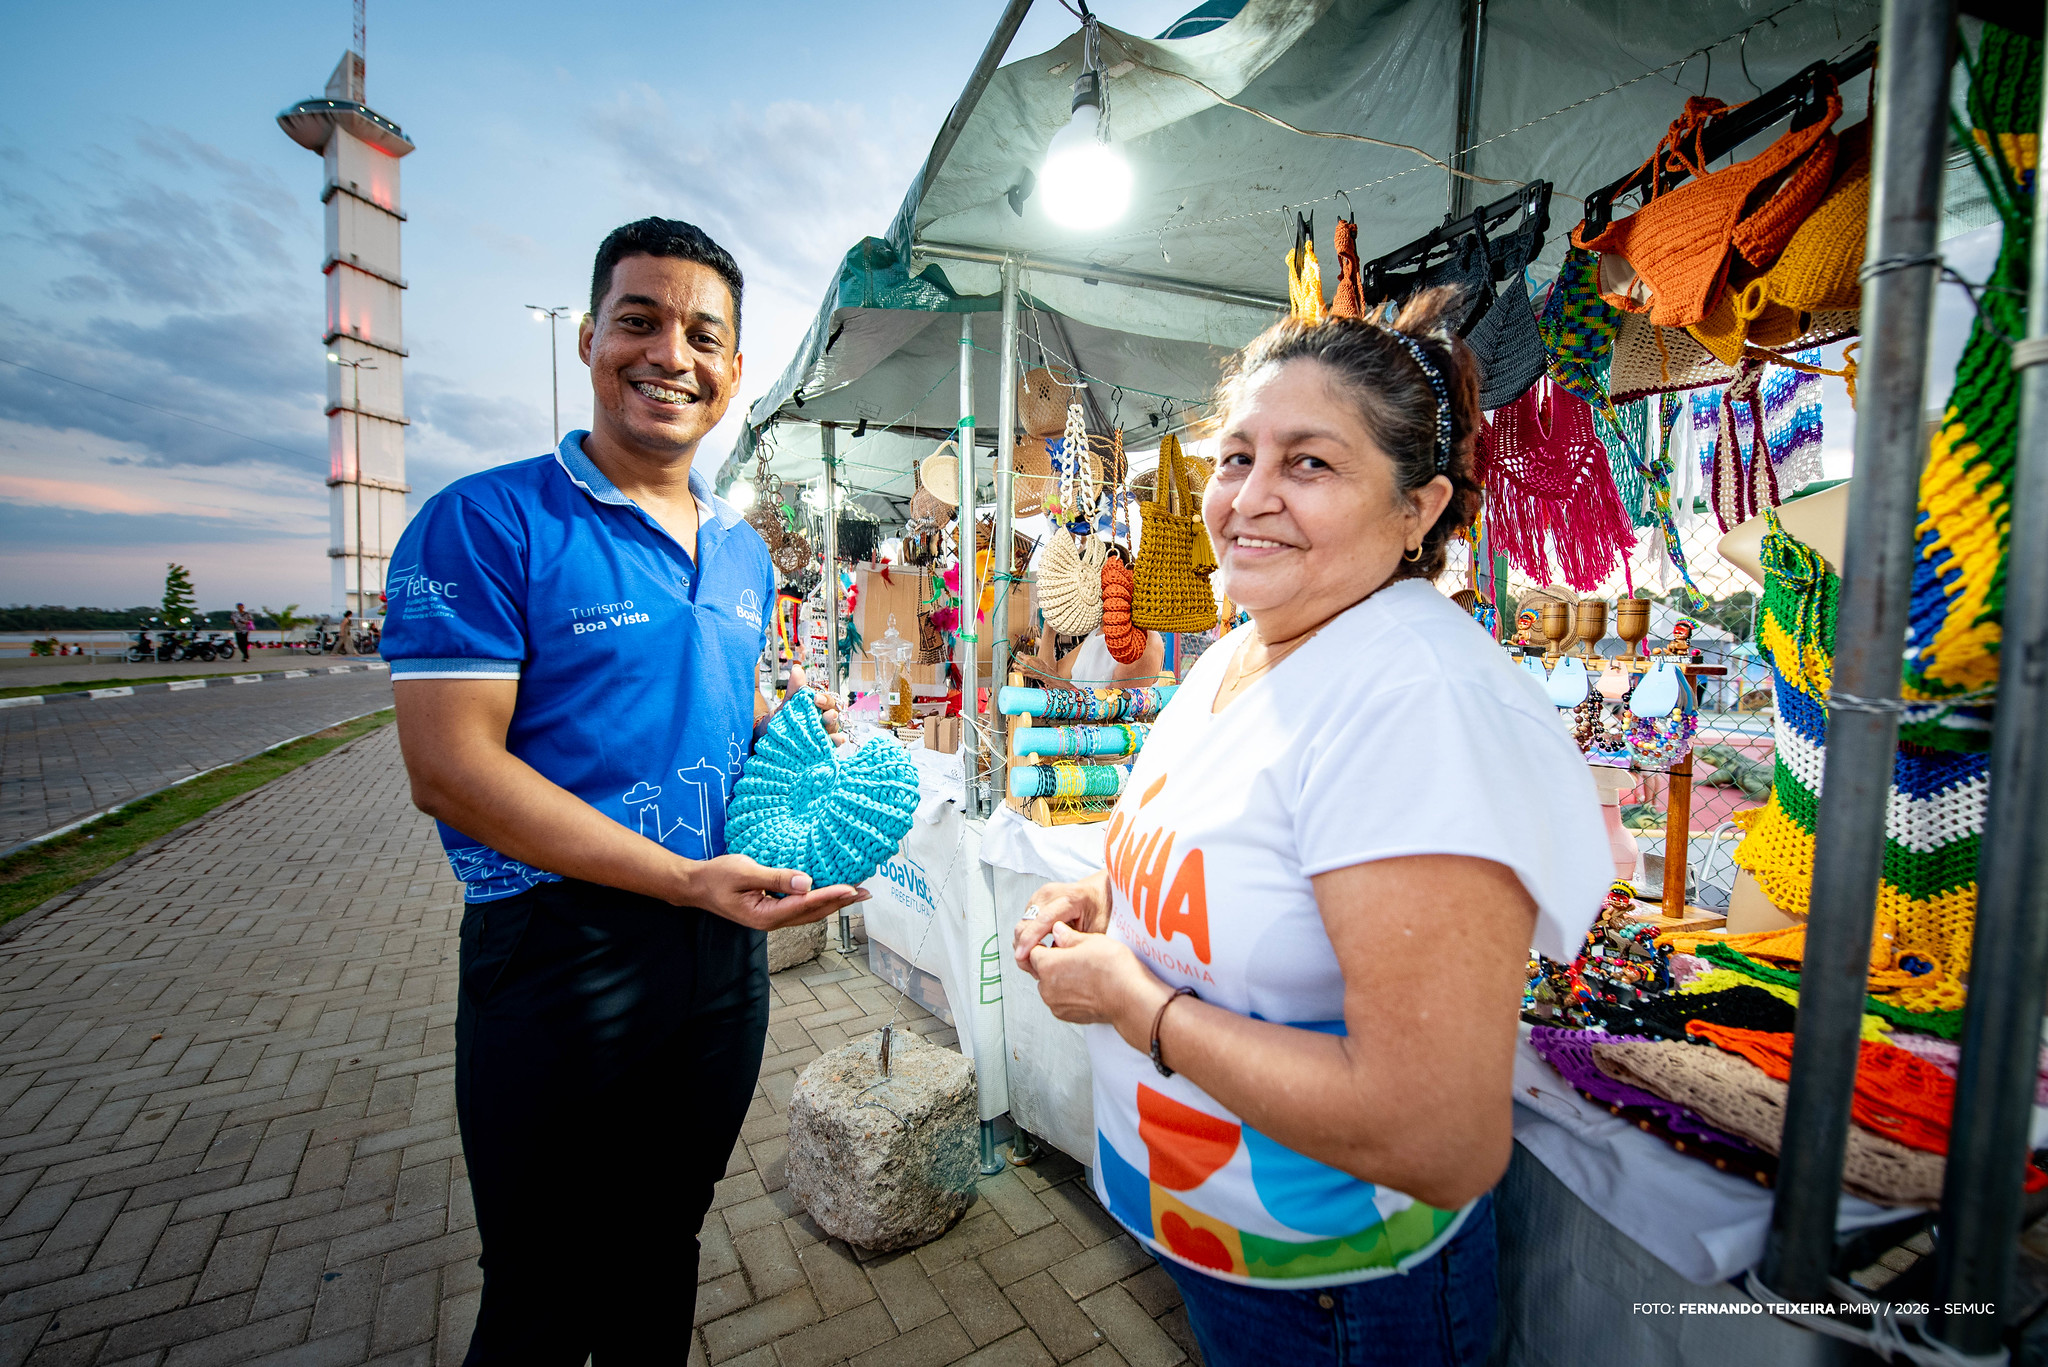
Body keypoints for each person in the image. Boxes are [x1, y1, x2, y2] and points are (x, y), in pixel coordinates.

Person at [1013, 291, 1609, 1366]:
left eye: (1309, 463)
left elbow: (1431, 1133)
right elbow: (1257, 875)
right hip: (1226, 1250)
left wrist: (1133, 1001)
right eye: (1237, 455)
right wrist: (1115, 901)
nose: (1246, 497)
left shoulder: (1417, 703)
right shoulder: (1252, 642)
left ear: (1417, 507)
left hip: (1340, 1301)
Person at [382, 217, 868, 1363]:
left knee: (665, 1240)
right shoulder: (488, 521)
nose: (670, 353)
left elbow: (713, 699)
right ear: (590, 338)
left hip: (713, 957)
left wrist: (792, 735)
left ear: (735, 371)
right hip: (554, 948)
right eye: (638, 319)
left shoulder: (742, 550)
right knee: (543, 1284)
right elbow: (448, 769)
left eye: (703, 334)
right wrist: (684, 878)